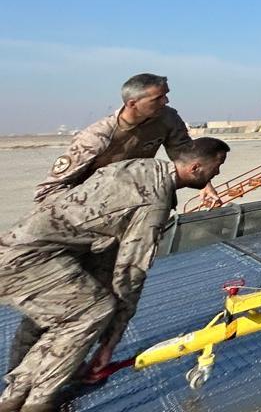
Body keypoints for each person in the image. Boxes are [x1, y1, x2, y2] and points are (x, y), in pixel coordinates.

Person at [0, 139, 230, 412]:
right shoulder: (154, 201)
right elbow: (131, 272)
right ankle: (39, 402)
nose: (216, 175)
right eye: (216, 167)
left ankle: (15, 395)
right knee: (91, 311)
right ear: (195, 168)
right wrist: (110, 343)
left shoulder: (144, 167)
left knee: (78, 314)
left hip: (29, 251)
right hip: (26, 260)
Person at [34, 74, 214, 205]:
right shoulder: (96, 138)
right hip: (91, 208)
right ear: (132, 104)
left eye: (166, 95)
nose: (166, 101)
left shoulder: (167, 118)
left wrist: (204, 182)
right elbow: (47, 191)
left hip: (134, 201)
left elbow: (185, 155)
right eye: (158, 98)